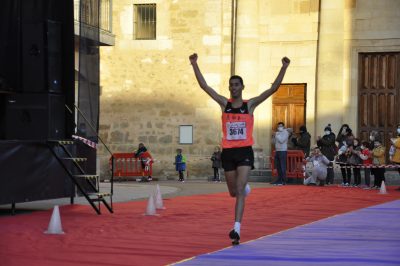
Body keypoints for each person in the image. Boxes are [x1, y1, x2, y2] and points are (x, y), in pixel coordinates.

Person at [189, 52, 290, 245]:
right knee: (233, 192)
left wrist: (283, 67)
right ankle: (243, 188)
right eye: (231, 85)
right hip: (228, 153)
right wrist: (194, 64)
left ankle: (236, 228)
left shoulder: (249, 105)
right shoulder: (223, 104)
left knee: (240, 190)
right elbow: (204, 86)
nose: (234, 88)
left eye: (237, 85)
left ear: (242, 87)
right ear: (229, 88)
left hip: (244, 151)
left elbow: (273, 89)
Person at [390, 124, 400, 190]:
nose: (399, 129)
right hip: (397, 157)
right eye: (398, 127)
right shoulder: (398, 137)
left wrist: (394, 143)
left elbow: (397, 144)